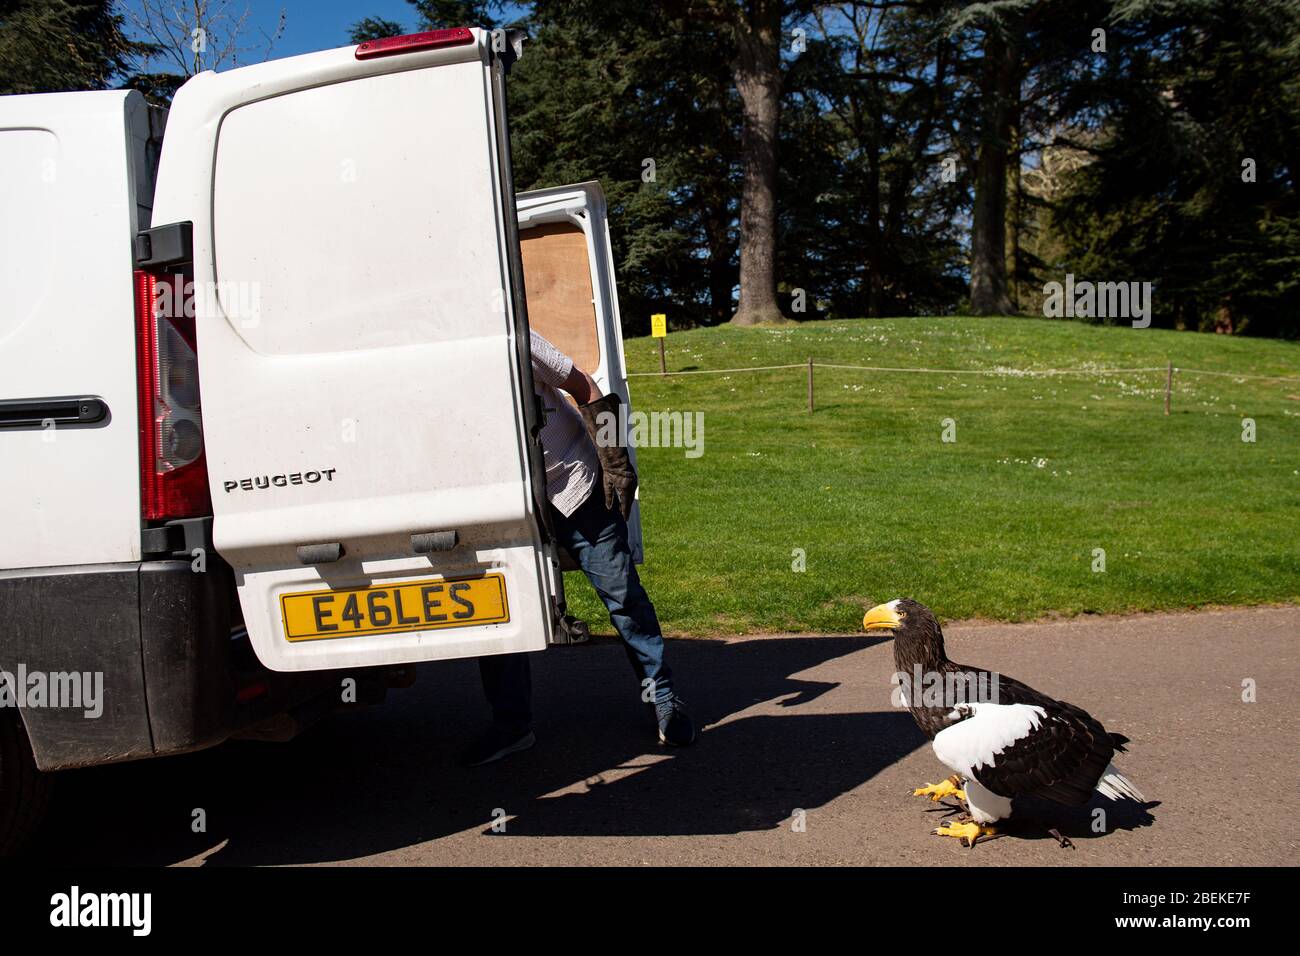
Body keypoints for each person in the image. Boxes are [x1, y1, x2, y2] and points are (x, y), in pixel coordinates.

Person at [460, 330, 696, 766]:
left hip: (574, 486)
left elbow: (585, 386)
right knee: (497, 611)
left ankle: (663, 700)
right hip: (505, 503)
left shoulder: (515, 336)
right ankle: (512, 728)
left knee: (623, 595)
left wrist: (615, 459)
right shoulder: (436, 358)